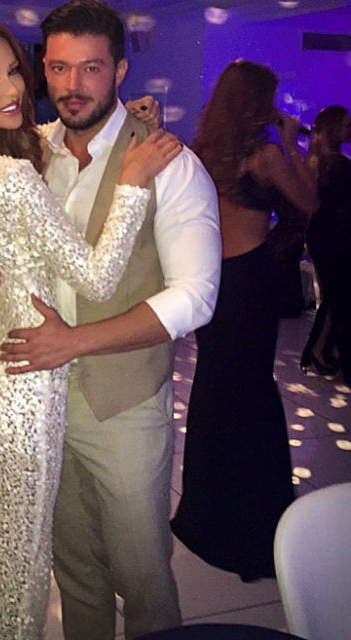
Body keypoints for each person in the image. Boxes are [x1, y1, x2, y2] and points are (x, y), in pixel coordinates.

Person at [0, 16, 182, 640]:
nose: (13, 91)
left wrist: (127, 116)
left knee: (8, 554)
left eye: (14, 73)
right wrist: (132, 183)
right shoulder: (9, 175)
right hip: (24, 390)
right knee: (20, 575)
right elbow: (97, 278)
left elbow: (45, 135)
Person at [0, 2, 221, 637]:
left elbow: (196, 296)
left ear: (120, 70)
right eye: (58, 68)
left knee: (143, 572)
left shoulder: (166, 162)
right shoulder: (27, 148)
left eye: (92, 68)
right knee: (73, 568)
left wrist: (75, 342)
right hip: (33, 398)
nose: (73, 85)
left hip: (122, 399)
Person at [166, 60, 319, 583]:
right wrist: (293, 142)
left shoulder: (203, 153)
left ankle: (206, 515)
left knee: (214, 389)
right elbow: (310, 201)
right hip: (251, 280)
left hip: (212, 278)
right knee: (253, 396)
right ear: (258, 100)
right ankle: (253, 525)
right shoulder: (267, 154)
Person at [301, 105, 351, 383]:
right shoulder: (335, 164)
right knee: (337, 294)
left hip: (324, 233)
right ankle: (321, 351)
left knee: (335, 293)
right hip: (334, 234)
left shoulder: (316, 162)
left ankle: (320, 350)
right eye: (346, 125)